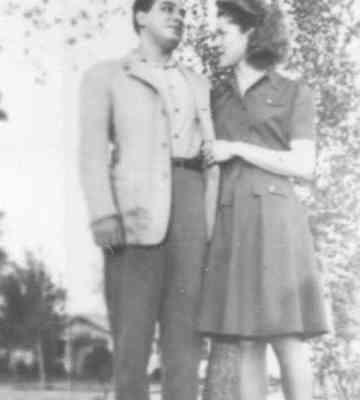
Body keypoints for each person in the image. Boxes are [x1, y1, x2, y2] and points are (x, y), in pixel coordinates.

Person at [79, 0, 219, 398]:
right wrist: (103, 213)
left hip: (191, 209)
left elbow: (213, 157)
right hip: (133, 215)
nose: (179, 17)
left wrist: (211, 224)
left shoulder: (199, 83)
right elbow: (92, 151)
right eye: (167, 8)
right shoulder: (105, 76)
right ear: (140, 16)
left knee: (186, 343)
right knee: (131, 341)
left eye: (183, 12)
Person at [198, 0, 331, 399]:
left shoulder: (293, 92)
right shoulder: (216, 96)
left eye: (222, 32)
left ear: (251, 34)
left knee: (288, 337)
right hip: (231, 222)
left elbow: (303, 164)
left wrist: (237, 148)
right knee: (245, 340)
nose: (214, 41)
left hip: (276, 223)